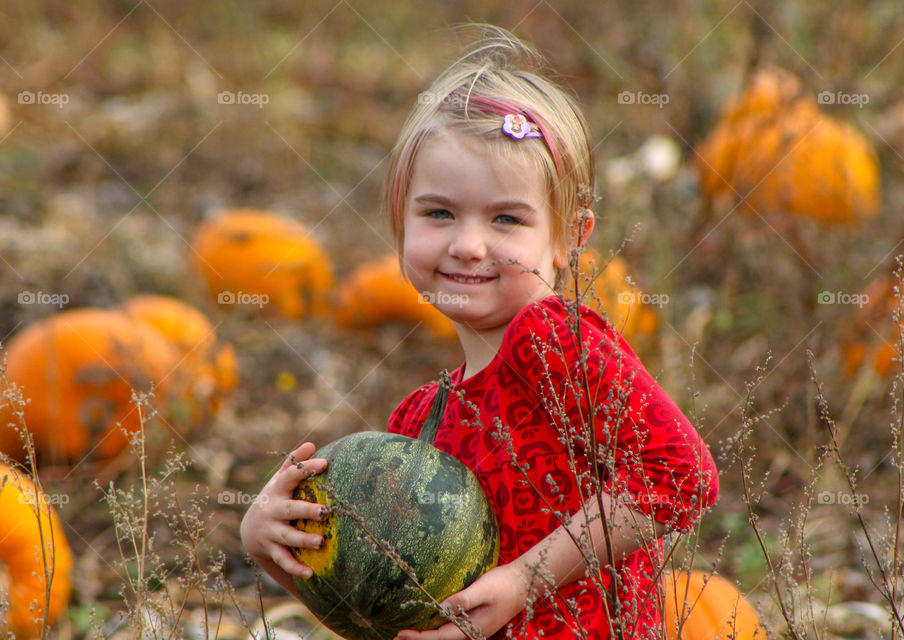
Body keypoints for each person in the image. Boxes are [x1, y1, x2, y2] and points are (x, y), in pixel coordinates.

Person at [241, 25, 719, 640]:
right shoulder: (419, 420)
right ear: (398, 222)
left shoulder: (551, 339)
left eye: (506, 218)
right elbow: (382, 612)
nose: (468, 245)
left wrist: (527, 578)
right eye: (439, 213)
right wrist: (270, 546)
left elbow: (680, 474)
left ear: (570, 237)